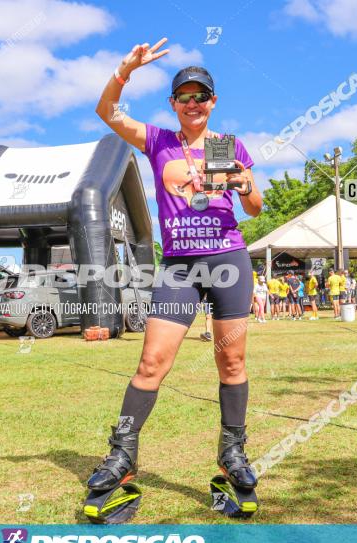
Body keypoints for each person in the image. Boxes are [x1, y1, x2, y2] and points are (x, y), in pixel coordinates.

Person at [87, 42, 264, 502]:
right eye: (184, 97)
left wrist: (245, 185)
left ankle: (233, 453)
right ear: (173, 104)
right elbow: (106, 111)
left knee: (232, 361)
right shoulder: (159, 141)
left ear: (213, 101)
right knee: (151, 363)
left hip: (228, 258)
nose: (193, 104)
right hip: (180, 267)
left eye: (200, 96)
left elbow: (255, 207)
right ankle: (122, 454)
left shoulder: (229, 146)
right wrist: (124, 71)